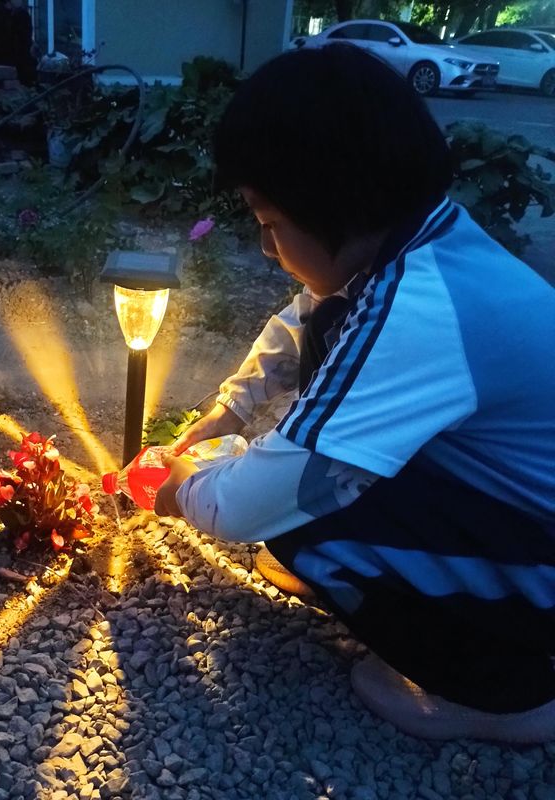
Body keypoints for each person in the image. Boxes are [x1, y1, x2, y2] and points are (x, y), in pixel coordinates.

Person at [153, 44, 555, 743]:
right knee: (312, 471)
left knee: (310, 523)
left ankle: (505, 694)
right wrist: (229, 410)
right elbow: (302, 322)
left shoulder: (420, 309)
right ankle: (429, 585)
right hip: (523, 509)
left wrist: (179, 486)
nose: (267, 249)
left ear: (331, 206)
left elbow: (250, 505)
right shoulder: (427, 243)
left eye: (268, 222)